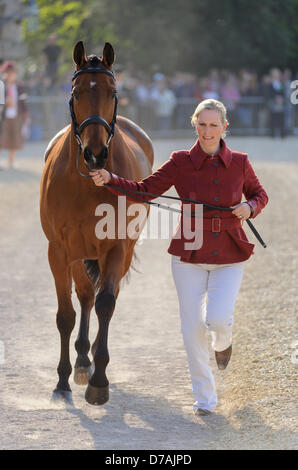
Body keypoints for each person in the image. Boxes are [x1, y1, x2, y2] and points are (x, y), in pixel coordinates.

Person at [89, 99, 268, 416]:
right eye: (202, 124)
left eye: (214, 125)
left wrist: (250, 208)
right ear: (194, 124)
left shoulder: (240, 162)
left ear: (224, 127)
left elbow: (259, 194)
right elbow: (144, 189)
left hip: (230, 252)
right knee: (191, 329)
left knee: (217, 320)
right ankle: (205, 398)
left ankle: (222, 342)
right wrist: (111, 179)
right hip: (188, 253)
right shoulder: (180, 161)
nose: (207, 131)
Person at [0, 62, 30, 168]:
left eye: (13, 73)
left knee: (14, 139)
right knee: (1, 138)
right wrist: (4, 103)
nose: (11, 75)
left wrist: (26, 115)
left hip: (16, 116)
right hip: (3, 117)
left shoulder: (19, 85)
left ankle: (11, 162)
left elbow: (23, 100)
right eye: (9, 73)